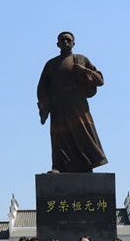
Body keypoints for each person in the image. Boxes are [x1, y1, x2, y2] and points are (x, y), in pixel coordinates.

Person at [37, 31, 107, 173]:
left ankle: (87, 164)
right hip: (58, 106)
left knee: (82, 134)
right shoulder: (51, 64)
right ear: (58, 44)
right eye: (63, 40)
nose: (66, 42)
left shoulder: (81, 60)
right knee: (59, 136)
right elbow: (42, 87)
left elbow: (100, 80)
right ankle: (58, 166)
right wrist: (43, 107)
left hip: (77, 105)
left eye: (69, 40)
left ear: (73, 43)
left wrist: (83, 71)